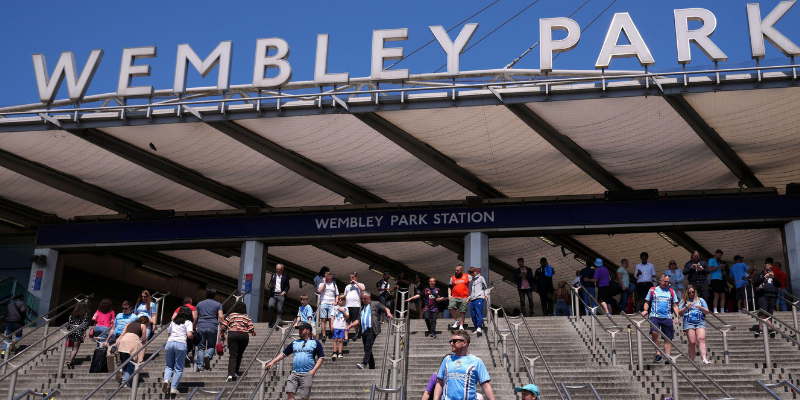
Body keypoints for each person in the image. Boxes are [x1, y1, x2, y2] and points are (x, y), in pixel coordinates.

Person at [265, 322, 324, 400]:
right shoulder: (295, 343)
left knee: (304, 397)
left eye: (302, 329)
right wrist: (273, 361)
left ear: (308, 331)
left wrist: (313, 371)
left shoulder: (315, 343)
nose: (300, 331)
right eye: (299, 329)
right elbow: (283, 354)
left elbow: (321, 357)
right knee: (290, 393)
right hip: (294, 373)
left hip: (307, 373)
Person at [432, 330, 495, 400]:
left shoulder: (476, 361)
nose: (451, 343)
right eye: (451, 341)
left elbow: (485, 385)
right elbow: (440, 383)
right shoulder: (447, 360)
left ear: (464, 343)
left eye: (454, 341)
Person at [641, 275, 680, 364]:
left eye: (668, 282)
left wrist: (677, 316)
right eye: (665, 281)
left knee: (668, 338)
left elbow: (674, 305)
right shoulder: (653, 290)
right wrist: (645, 310)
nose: (667, 283)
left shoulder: (671, 291)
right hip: (655, 316)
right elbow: (647, 302)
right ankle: (658, 353)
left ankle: (667, 357)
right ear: (660, 280)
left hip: (667, 316)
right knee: (654, 332)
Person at [219, 301, 256, 381]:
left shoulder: (231, 315)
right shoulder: (246, 316)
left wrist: (222, 335)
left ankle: (230, 374)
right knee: (239, 354)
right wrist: (253, 332)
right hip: (244, 336)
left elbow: (223, 327)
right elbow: (250, 328)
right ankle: (235, 372)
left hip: (233, 335)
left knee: (233, 355)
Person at [162, 306, 194, 395]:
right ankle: (173, 388)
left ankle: (166, 380)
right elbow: (189, 335)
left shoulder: (173, 322)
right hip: (181, 344)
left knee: (169, 365)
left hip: (170, 343)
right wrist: (194, 337)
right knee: (178, 368)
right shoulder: (188, 322)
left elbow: (169, 333)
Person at [357, 291, 392, 369]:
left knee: (368, 346)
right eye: (362, 299)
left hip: (372, 329)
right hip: (364, 331)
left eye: (364, 298)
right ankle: (372, 367)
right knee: (367, 348)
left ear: (369, 297)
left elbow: (386, 308)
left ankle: (364, 363)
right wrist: (350, 326)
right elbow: (358, 320)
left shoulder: (375, 304)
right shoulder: (362, 308)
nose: (363, 300)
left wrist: (388, 314)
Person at [678, 285, 710, 364]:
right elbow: (679, 312)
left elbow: (707, 312)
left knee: (701, 339)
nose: (691, 294)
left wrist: (701, 307)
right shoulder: (684, 301)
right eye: (689, 293)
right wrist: (686, 307)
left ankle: (704, 359)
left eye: (693, 292)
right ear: (686, 293)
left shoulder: (700, 300)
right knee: (692, 342)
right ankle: (691, 360)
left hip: (700, 321)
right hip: (688, 322)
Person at [193, 288, 223, 372]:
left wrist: (193, 327)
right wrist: (223, 328)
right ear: (214, 296)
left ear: (206, 294)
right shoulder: (218, 304)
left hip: (201, 326)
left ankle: (200, 366)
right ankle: (208, 355)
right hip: (212, 326)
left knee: (201, 347)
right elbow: (221, 317)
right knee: (211, 346)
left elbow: (195, 317)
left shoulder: (199, 304)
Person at [116, 315, 149, 387]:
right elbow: (143, 340)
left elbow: (122, 335)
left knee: (125, 362)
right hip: (133, 343)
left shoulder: (129, 324)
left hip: (123, 342)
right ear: (145, 322)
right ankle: (125, 382)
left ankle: (121, 369)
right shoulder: (143, 326)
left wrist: (116, 343)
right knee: (131, 364)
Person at [752, 265, 781, 338]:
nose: (768, 271)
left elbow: (779, 284)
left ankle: (769, 328)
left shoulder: (773, 277)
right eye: (767, 270)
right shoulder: (760, 276)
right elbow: (755, 283)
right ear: (763, 269)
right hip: (762, 295)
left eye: (770, 270)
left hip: (772, 296)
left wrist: (773, 277)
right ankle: (761, 328)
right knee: (763, 311)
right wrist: (764, 277)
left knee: (769, 313)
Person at [65, 300, 91, 369]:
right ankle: (70, 361)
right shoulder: (84, 314)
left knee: (73, 349)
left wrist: (68, 333)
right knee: (75, 349)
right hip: (78, 332)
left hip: (71, 332)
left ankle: (71, 361)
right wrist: (84, 334)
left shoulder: (72, 314)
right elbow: (85, 325)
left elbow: (69, 323)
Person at [448, 265, 471, 331]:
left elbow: (473, 285)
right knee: (451, 307)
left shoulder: (467, 276)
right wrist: (449, 295)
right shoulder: (452, 278)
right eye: (455, 270)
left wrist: (469, 297)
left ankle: (461, 325)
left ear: (461, 270)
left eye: (457, 270)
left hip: (464, 297)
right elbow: (449, 287)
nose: (456, 271)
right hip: (454, 296)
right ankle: (456, 320)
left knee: (462, 311)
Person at [317, 271, 339, 340]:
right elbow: (319, 291)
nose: (328, 278)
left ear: (331, 277)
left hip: (331, 303)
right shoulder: (321, 284)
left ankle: (331, 331)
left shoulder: (334, 285)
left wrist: (336, 302)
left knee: (331, 319)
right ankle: (324, 334)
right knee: (323, 319)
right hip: (324, 302)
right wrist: (324, 283)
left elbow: (337, 294)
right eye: (326, 276)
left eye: (329, 276)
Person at [343, 272, 365, 342]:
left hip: (356, 305)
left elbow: (363, 289)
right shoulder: (347, 286)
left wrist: (355, 282)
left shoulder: (360, 285)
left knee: (355, 321)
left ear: (356, 277)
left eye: (353, 277)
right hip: (348, 305)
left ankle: (357, 333)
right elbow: (345, 295)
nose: (351, 279)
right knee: (347, 321)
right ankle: (346, 337)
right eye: (351, 277)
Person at [268, 263, 290, 328]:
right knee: (270, 306)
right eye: (277, 269)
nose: (278, 270)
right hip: (273, 294)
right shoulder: (273, 276)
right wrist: (270, 286)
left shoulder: (285, 277)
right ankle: (271, 321)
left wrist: (284, 292)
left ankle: (278, 322)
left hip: (281, 294)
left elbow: (287, 287)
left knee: (280, 309)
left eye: (280, 269)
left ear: (282, 269)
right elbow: (269, 284)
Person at [467, 267, 487, 334]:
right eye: (471, 273)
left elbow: (485, 287)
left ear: (476, 271)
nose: (472, 274)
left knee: (478, 312)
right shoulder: (471, 281)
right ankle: (476, 327)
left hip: (479, 297)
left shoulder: (481, 278)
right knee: (472, 314)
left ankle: (479, 327)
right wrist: (469, 298)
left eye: (473, 272)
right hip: (472, 299)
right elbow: (470, 291)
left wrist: (485, 294)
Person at [331, 295, 349, 360]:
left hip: (342, 326)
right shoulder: (335, 308)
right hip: (336, 325)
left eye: (342, 299)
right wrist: (331, 325)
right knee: (335, 339)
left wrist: (343, 311)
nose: (340, 300)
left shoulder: (346, 308)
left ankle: (340, 352)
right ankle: (335, 352)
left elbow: (347, 317)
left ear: (344, 300)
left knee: (341, 339)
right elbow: (332, 317)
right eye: (339, 299)